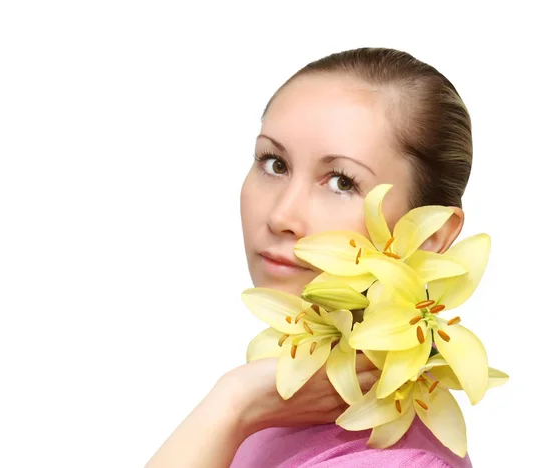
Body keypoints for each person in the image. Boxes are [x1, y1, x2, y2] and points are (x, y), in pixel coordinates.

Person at [146, 47, 473, 467]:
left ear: (431, 236)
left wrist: (231, 406)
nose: (281, 215)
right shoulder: (274, 404)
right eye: (274, 163)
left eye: (341, 181)